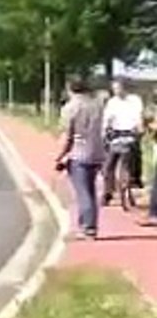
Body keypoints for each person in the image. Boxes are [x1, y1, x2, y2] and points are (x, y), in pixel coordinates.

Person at [57, 76, 107, 239]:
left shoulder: (70, 108)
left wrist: (60, 156)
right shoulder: (97, 105)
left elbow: (68, 136)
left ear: (70, 89)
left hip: (78, 153)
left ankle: (88, 227)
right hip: (97, 152)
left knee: (82, 192)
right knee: (90, 190)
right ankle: (88, 225)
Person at [102, 78, 146, 205]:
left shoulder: (135, 100)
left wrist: (140, 128)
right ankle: (107, 192)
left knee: (136, 153)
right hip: (116, 133)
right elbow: (107, 118)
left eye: (118, 88)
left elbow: (138, 116)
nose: (116, 91)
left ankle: (135, 178)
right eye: (114, 89)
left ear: (125, 88)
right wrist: (105, 131)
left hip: (131, 132)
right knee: (108, 164)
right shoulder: (112, 102)